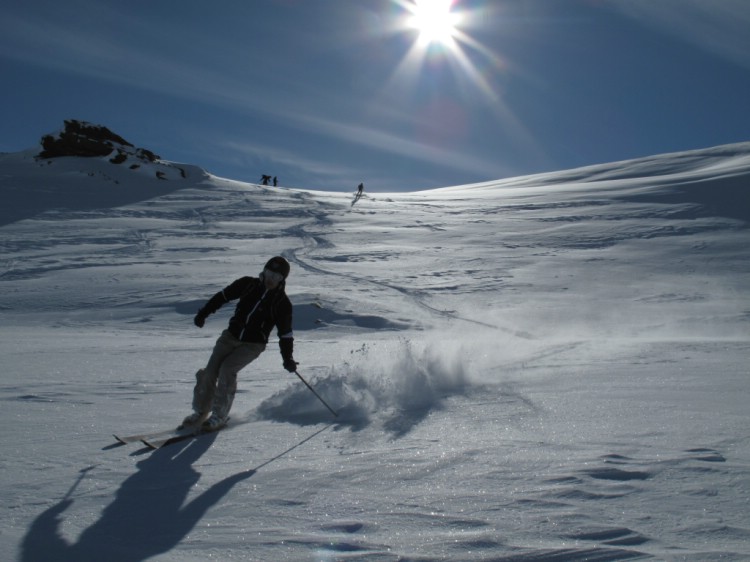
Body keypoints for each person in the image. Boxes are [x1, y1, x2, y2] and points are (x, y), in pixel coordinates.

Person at [181, 256, 298, 431]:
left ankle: (219, 415)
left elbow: (285, 335)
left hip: (253, 345)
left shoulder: (282, 303)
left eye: (277, 277)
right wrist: (203, 313)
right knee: (211, 371)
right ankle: (200, 412)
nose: (271, 279)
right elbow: (222, 297)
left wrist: (287, 358)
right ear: (264, 271)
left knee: (227, 370)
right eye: (269, 273)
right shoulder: (247, 284)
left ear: (282, 280)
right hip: (230, 337)